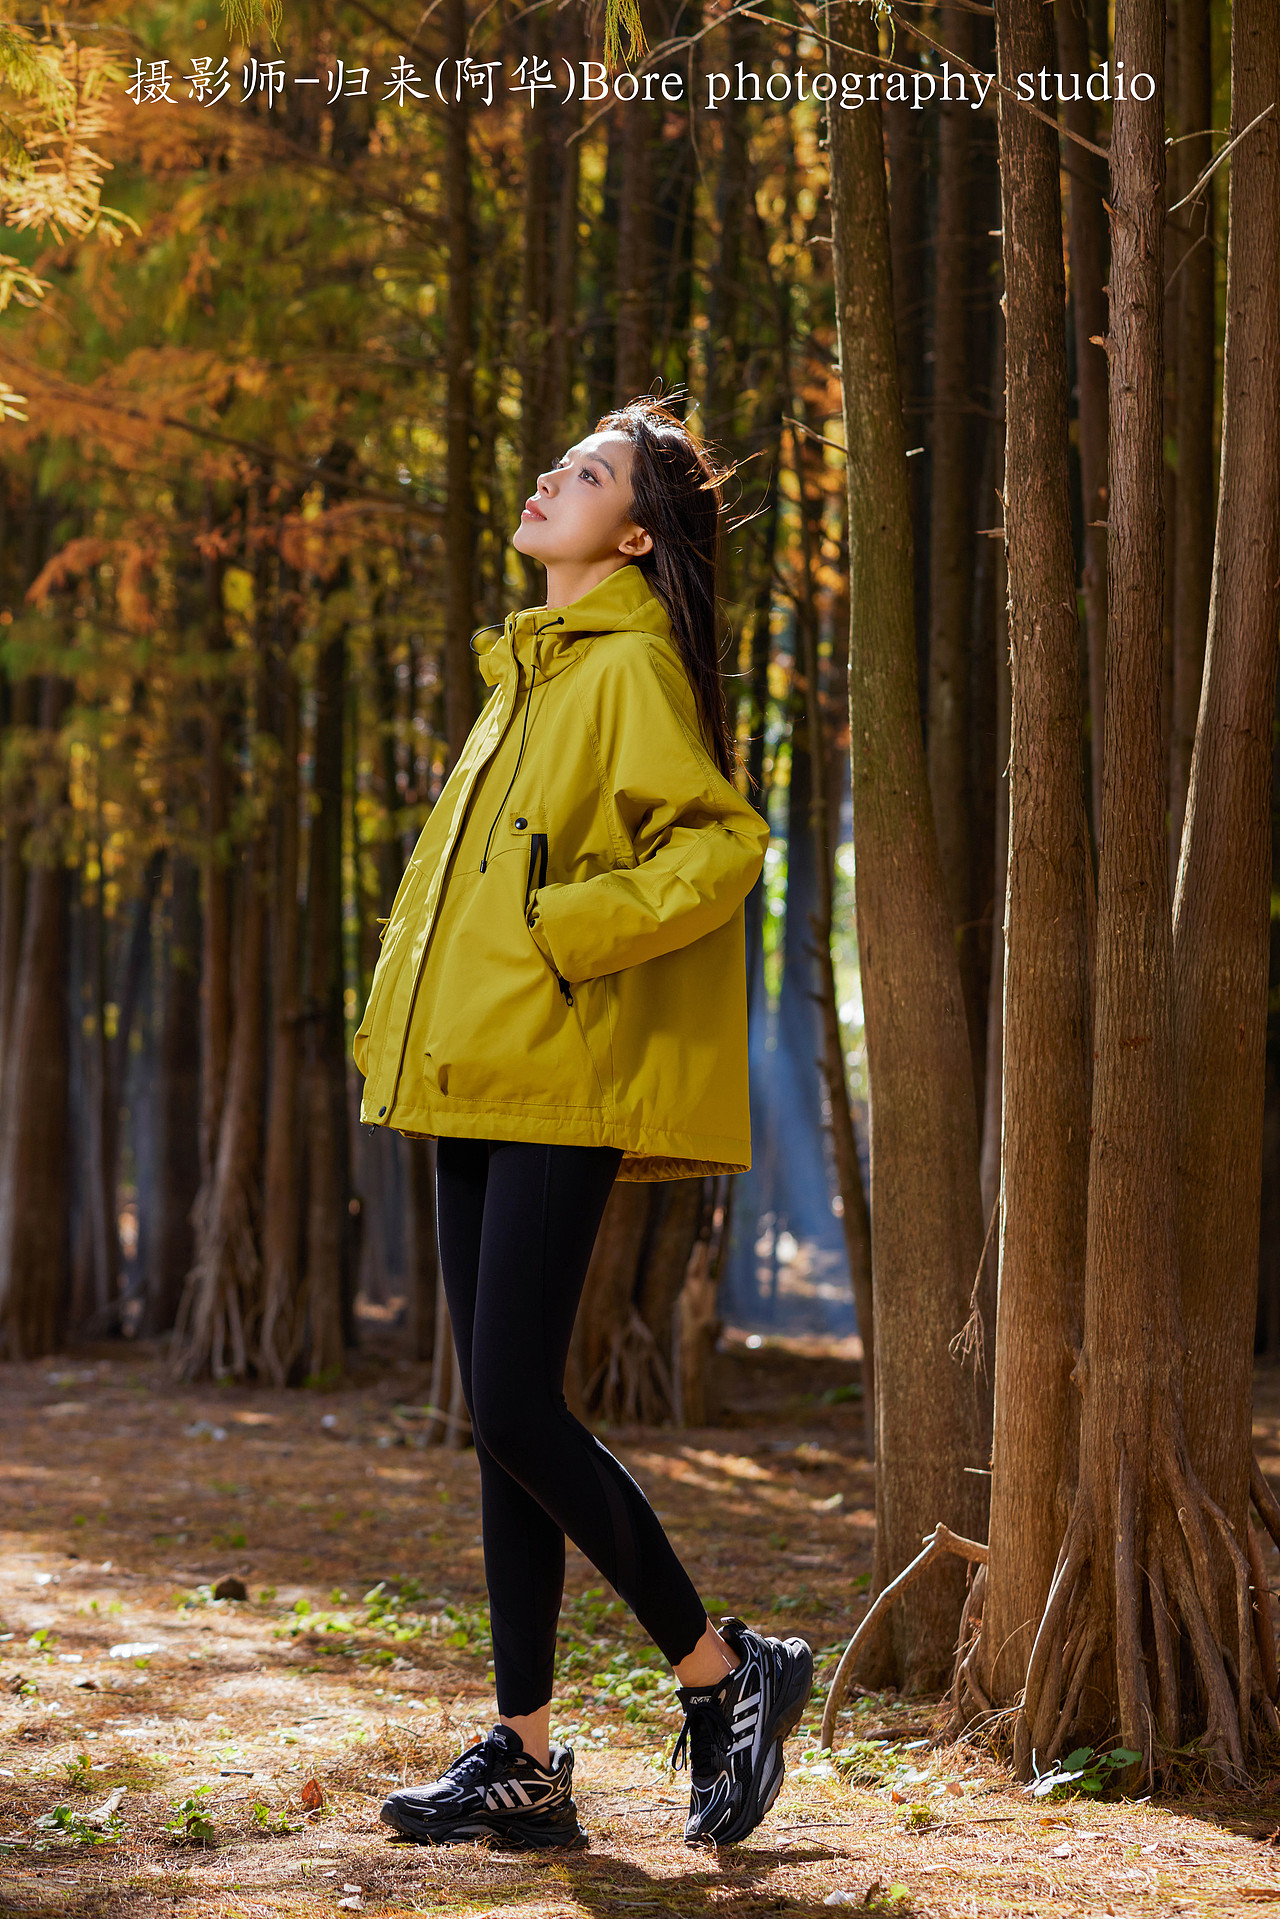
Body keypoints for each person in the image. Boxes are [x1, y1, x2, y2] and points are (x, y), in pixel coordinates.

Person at [353, 395, 813, 1852]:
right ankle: (528, 1756)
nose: (556, 476)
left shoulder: (627, 669)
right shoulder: (527, 676)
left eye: (591, 472)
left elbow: (722, 841)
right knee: (503, 1428)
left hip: (553, 1073)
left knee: (513, 1403)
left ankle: (723, 1671)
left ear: (634, 532)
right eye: (564, 460)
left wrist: (568, 930)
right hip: (474, 1075)